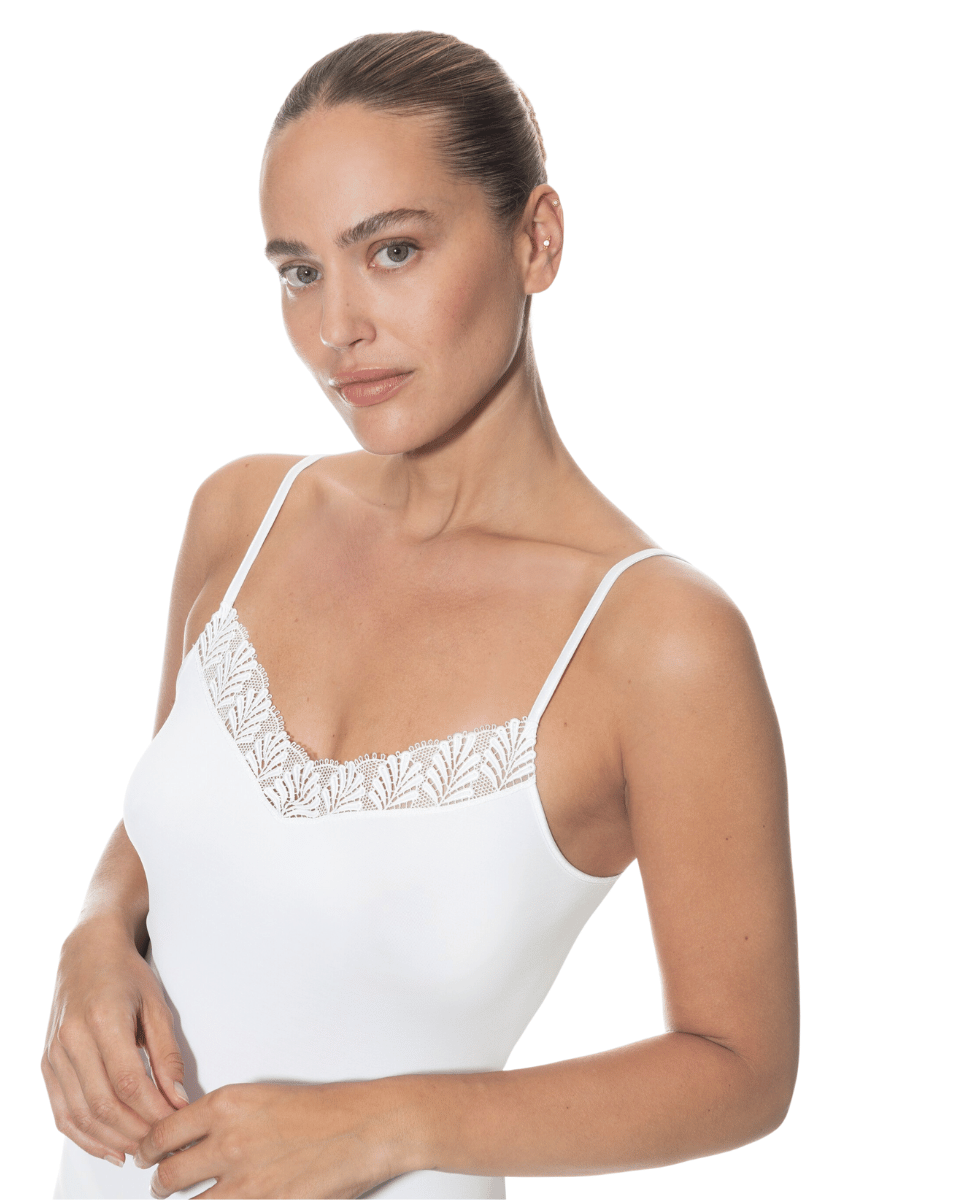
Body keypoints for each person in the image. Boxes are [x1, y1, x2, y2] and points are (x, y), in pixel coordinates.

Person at [43, 31, 798, 1200]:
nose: (336, 327)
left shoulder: (657, 641)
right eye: (299, 271)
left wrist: (382, 1126)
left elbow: (742, 1068)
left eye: (391, 250)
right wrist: (95, 932)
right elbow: (172, 830)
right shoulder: (243, 516)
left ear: (536, 239)